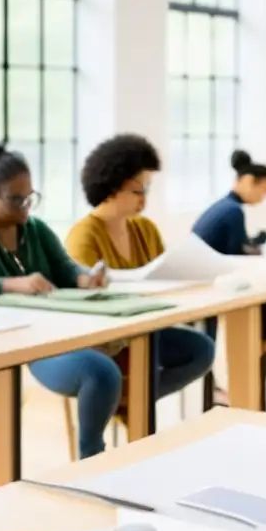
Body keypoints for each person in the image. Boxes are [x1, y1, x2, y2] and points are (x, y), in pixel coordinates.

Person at [0, 142, 123, 459]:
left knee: (177, 349)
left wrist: (85, 278)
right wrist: (15, 284)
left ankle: (118, 445)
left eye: (30, 197)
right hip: (10, 343)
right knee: (101, 372)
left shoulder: (35, 229)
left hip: (52, 332)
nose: (25, 206)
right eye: (15, 199)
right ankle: (92, 458)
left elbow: (66, 268)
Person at [65, 134, 215, 400]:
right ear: (111, 187)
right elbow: (83, 302)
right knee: (150, 346)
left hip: (145, 327)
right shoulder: (83, 235)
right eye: (137, 191)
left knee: (201, 349)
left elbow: (164, 276)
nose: (144, 201)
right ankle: (131, 406)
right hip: (107, 339)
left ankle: (131, 403)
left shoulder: (145, 229)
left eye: (147, 190)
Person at [193, 150, 266, 384]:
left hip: (212, 279)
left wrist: (259, 241)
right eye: (265, 190)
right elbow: (238, 255)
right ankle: (257, 351)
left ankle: (259, 350)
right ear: (248, 181)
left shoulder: (225, 207)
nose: (264, 197)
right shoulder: (232, 211)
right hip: (209, 286)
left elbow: (236, 249)